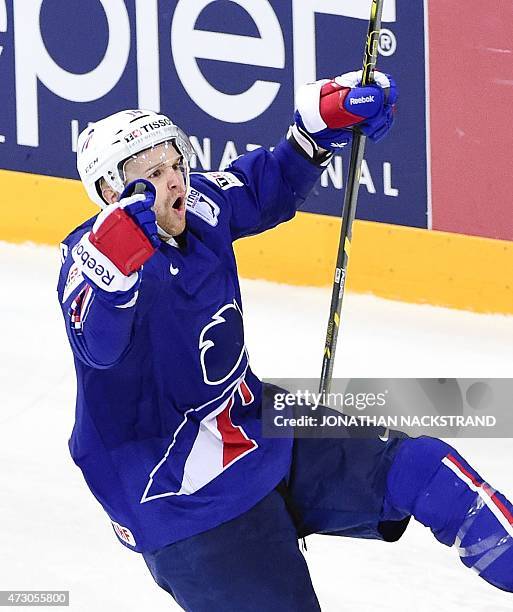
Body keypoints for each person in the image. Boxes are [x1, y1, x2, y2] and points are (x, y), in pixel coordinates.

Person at [57, 70, 513, 611]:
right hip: (182, 499)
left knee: (425, 470)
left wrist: (315, 131)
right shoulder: (90, 266)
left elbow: (259, 188)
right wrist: (115, 277)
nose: (176, 180)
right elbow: (98, 346)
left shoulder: (195, 206)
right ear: (110, 192)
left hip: (256, 425)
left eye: (176, 162)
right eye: (154, 173)